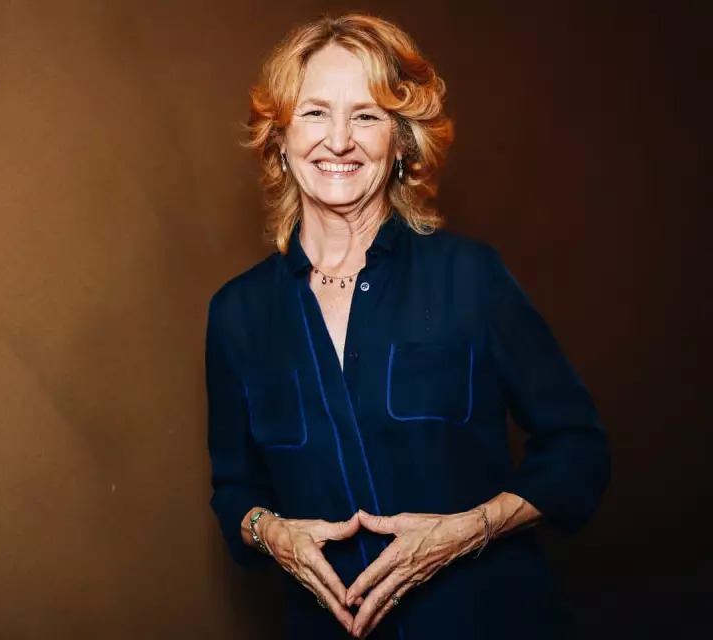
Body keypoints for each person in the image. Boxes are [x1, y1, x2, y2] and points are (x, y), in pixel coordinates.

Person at [205, 12, 610, 640]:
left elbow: (578, 449)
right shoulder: (236, 314)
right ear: (280, 138)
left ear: (400, 143)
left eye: (366, 116)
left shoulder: (471, 277)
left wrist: (467, 531)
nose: (339, 140)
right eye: (315, 113)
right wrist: (271, 532)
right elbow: (235, 488)